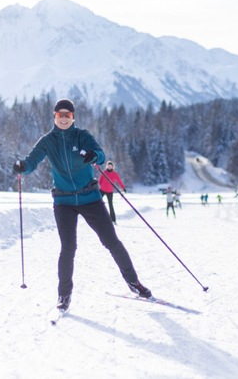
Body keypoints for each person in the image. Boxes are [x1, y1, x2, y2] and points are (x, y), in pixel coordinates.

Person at [13, 98, 152, 312]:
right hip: (64, 202)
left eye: (68, 115)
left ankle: (133, 282)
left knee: (112, 242)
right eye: (60, 115)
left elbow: (101, 154)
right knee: (68, 248)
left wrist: (93, 155)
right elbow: (32, 161)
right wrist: (22, 166)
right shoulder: (47, 141)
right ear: (55, 117)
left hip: (90, 198)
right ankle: (64, 294)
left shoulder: (82, 136)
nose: (64, 118)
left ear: (73, 117)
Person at [97, 160, 125, 225]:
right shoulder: (104, 172)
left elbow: (119, 181)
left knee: (110, 205)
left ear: (112, 167)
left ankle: (113, 220)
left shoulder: (114, 174)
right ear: (107, 166)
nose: (109, 167)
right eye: (108, 166)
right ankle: (96, 217)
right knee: (98, 203)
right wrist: (99, 187)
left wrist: (123, 188)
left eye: (111, 166)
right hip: (102, 190)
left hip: (110, 191)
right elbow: (99, 181)